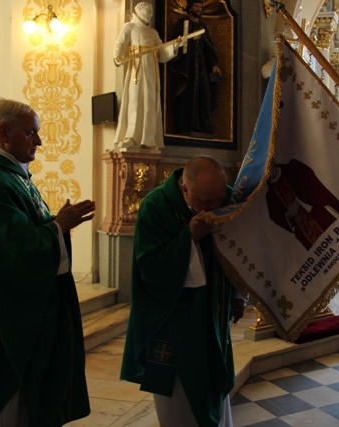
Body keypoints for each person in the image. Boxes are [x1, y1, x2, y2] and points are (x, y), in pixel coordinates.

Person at [0, 98, 96, 425]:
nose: (39, 141)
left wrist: (55, 225)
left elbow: (26, 233)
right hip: (1, 320)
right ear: (2, 132)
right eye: (31, 133)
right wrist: (58, 226)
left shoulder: (12, 176)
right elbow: (11, 256)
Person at [121, 155, 245, 427]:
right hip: (173, 322)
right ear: (185, 190)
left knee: (215, 387)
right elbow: (150, 269)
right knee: (179, 406)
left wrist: (237, 293)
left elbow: (239, 249)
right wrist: (189, 236)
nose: (215, 207)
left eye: (218, 200)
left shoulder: (224, 197)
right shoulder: (155, 207)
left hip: (211, 315)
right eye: (206, 202)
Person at [114, 2, 182, 149]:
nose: (148, 17)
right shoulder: (129, 27)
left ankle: (148, 137)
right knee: (135, 101)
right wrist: (117, 57)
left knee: (150, 103)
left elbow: (162, 53)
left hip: (151, 72)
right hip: (136, 71)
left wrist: (174, 47)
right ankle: (131, 136)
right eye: (146, 14)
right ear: (139, 14)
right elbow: (120, 44)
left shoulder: (153, 33)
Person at [169, 0, 221, 136]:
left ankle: (204, 125)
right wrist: (190, 39)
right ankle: (185, 125)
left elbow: (209, 48)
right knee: (187, 93)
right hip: (186, 66)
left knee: (204, 93)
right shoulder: (181, 24)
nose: (199, 9)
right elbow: (175, 44)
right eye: (196, 6)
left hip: (201, 65)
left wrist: (214, 64)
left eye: (200, 7)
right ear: (190, 8)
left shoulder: (202, 26)